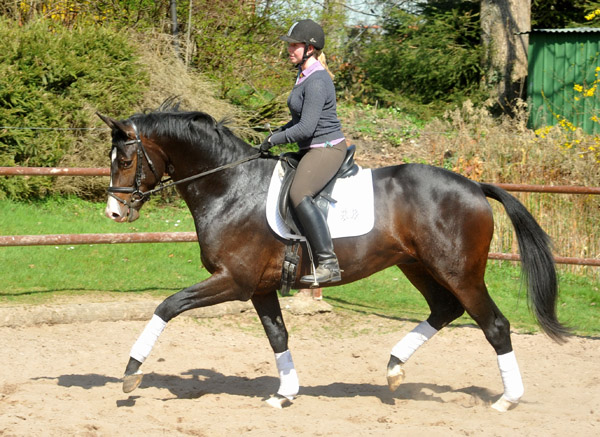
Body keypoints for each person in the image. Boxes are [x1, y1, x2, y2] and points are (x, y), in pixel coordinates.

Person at [260, 19, 347, 285]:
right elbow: (298, 121)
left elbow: (307, 128)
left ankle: (328, 263)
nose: (290, 49)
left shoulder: (317, 80)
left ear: (310, 48)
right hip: (312, 146)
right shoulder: (304, 75)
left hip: (327, 148)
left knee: (299, 192)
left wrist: (276, 139)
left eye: (294, 45)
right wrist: (276, 133)